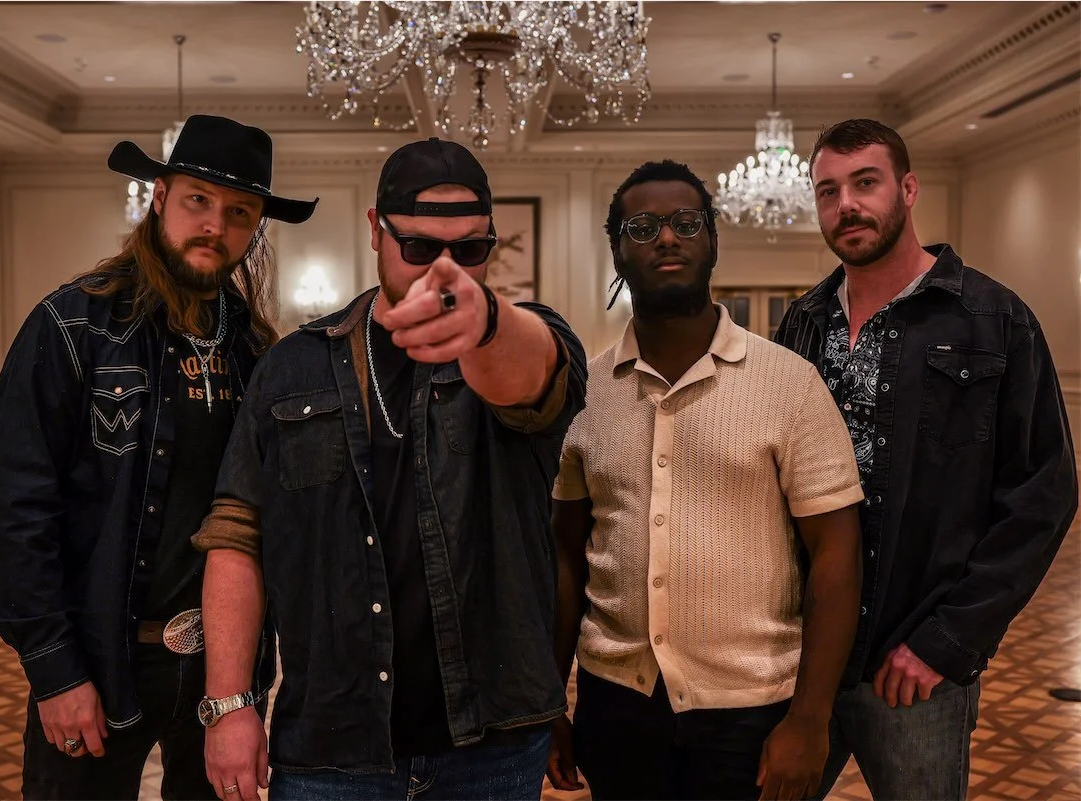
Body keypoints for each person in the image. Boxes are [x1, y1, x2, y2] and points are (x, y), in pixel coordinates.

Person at [192, 137, 588, 801]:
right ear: (376, 230)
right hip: (331, 745)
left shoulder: (520, 336)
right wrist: (229, 704)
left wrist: (486, 321)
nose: (445, 270)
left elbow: (533, 375)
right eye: (420, 247)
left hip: (490, 744)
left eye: (470, 250)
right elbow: (237, 535)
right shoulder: (292, 366)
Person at [0, 115, 318, 800]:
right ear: (159, 197)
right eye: (198, 200)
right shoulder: (71, 327)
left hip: (222, 672)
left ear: (256, 227)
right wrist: (54, 669)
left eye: (239, 212)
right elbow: (19, 513)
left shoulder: (257, 352)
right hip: (100, 660)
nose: (215, 225)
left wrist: (247, 687)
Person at [773, 118, 1079, 800]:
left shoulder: (995, 320)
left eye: (866, 182)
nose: (847, 204)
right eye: (828, 190)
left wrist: (950, 638)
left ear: (908, 189)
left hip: (913, 667)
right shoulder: (803, 322)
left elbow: (1042, 495)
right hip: (801, 657)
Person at [546, 159, 865, 801]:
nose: (667, 237)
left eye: (686, 223)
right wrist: (550, 702)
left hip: (753, 710)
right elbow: (566, 557)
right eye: (643, 227)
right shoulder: (586, 394)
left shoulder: (790, 384)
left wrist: (810, 719)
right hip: (617, 705)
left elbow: (837, 554)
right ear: (617, 252)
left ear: (713, 242)